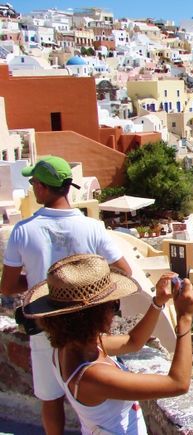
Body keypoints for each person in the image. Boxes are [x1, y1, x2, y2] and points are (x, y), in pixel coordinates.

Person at [0, 156, 132, 435]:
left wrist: (44, 281)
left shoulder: (23, 231)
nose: (33, 187)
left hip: (46, 327)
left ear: (44, 188)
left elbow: (8, 286)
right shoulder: (92, 227)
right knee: (95, 403)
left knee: (51, 400)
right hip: (87, 325)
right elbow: (124, 270)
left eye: (34, 182)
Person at [22, 254, 193, 434]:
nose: (116, 312)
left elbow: (133, 342)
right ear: (93, 316)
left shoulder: (70, 347)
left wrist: (158, 302)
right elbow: (178, 383)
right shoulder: (92, 376)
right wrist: (185, 318)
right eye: (113, 306)